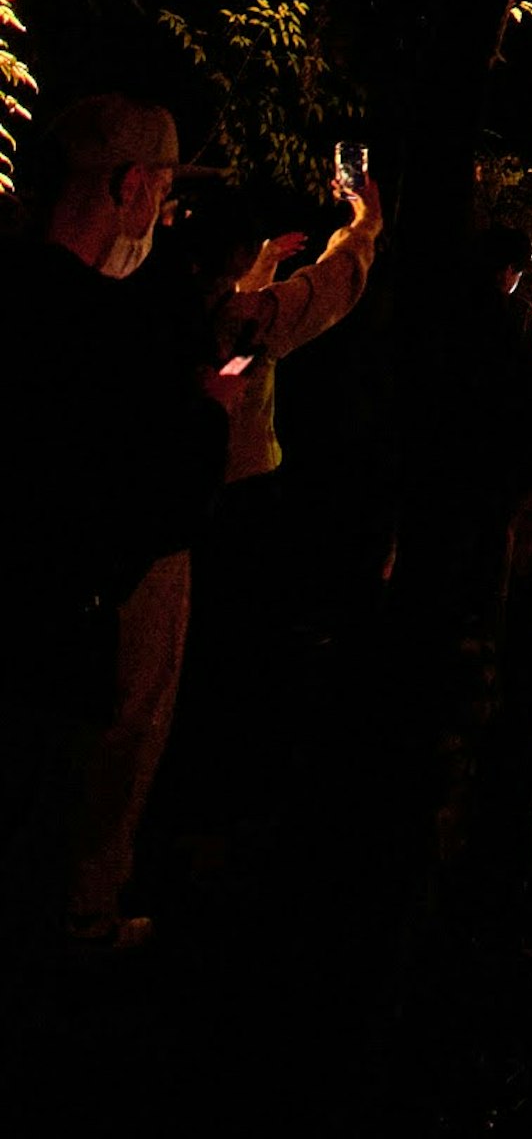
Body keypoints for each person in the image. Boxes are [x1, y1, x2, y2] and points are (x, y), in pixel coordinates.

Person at [0, 83, 230, 949]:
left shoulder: (16, 283)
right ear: (129, 184)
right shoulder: (98, 328)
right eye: (163, 190)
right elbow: (151, 499)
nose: (163, 210)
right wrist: (209, 412)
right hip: (56, 633)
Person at [172, 148, 384, 829]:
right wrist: (363, 227)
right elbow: (327, 291)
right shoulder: (245, 325)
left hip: (177, 502)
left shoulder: (162, 302)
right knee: (230, 642)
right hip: (237, 493)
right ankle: (219, 793)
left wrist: (266, 264)